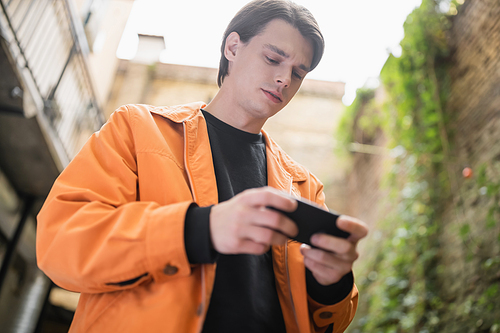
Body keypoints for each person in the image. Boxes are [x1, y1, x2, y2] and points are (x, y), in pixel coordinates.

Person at [36, 0, 368, 332]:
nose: (284, 78)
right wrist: (199, 228)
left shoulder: (305, 187)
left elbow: (326, 323)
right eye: (273, 59)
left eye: (298, 72)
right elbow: (60, 244)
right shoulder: (137, 129)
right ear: (233, 47)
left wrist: (332, 284)